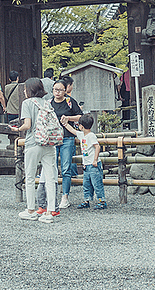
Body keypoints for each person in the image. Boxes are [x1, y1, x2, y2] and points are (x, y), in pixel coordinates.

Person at [10, 78, 58, 223]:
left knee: (30, 177)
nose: (24, 91)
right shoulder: (47, 103)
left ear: (29, 90)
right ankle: (50, 211)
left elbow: (27, 124)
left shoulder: (27, 103)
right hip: (49, 143)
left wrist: (17, 129)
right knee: (50, 179)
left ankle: (31, 209)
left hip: (33, 142)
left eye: (25, 89)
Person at [50, 77, 84, 210]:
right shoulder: (49, 103)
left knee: (65, 168)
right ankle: (51, 196)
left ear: (65, 90)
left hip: (67, 138)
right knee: (51, 167)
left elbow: (80, 116)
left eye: (60, 90)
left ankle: (65, 197)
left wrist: (68, 118)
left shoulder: (70, 102)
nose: (57, 92)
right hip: (52, 138)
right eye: (55, 90)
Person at [67, 113, 106, 210]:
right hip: (86, 165)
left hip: (93, 164)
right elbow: (72, 130)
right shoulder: (81, 135)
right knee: (86, 183)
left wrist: (95, 160)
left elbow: (97, 146)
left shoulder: (91, 136)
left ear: (81, 126)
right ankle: (86, 200)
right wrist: (65, 123)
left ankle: (102, 201)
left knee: (97, 183)